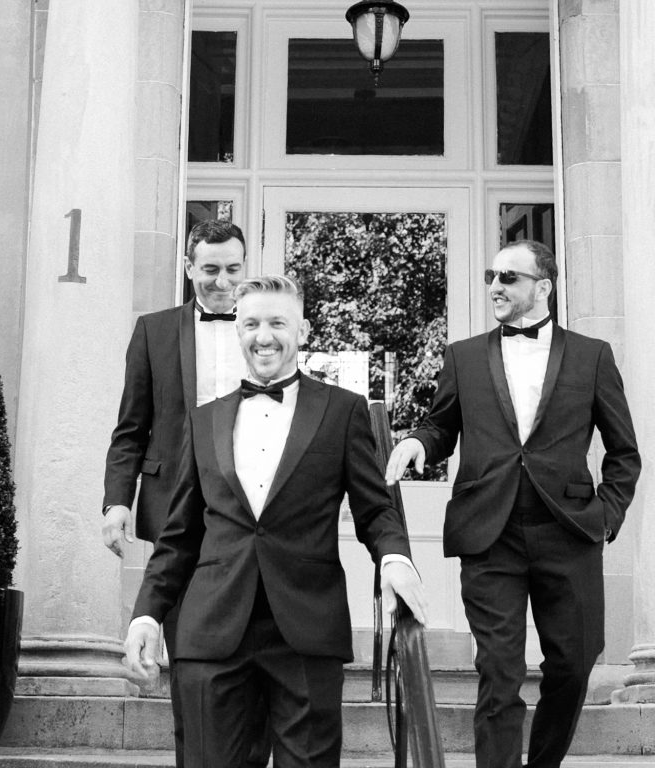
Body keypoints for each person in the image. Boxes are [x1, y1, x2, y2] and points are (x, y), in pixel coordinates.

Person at [124, 275, 428, 768]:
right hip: (211, 631)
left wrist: (394, 558)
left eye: (277, 323)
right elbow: (179, 536)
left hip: (305, 631)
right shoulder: (203, 421)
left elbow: (375, 508)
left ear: (302, 330)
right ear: (238, 331)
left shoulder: (342, 411)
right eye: (251, 325)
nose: (263, 336)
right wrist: (146, 615)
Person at [385, 240, 640, 768]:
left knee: (573, 665)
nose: (495, 287)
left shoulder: (592, 356)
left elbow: (624, 452)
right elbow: (441, 426)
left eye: (508, 277)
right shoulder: (463, 356)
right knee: (499, 671)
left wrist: (605, 517)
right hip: (489, 532)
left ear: (543, 287)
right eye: (491, 276)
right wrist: (416, 442)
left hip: (568, 531)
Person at [101, 219, 257, 766]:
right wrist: (117, 501)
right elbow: (131, 428)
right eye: (210, 269)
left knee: (248, 660)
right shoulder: (154, 331)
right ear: (189, 267)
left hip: (251, 516)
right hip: (177, 514)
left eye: (233, 269)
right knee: (187, 665)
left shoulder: (263, 328)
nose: (222, 282)